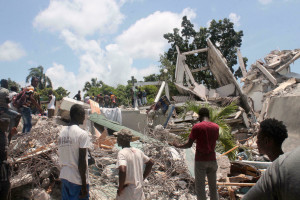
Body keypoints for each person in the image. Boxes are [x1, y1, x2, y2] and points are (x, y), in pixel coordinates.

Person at [170, 108, 219, 200]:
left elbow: (189, 145)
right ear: (208, 116)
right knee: (213, 186)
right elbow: (215, 139)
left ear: (200, 116)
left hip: (201, 160)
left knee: (200, 187)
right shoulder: (216, 127)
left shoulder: (197, 127)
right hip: (212, 160)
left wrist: (178, 146)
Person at [58, 104, 91, 200]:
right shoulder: (82, 134)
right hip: (77, 180)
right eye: (83, 114)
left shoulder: (61, 133)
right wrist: (84, 185)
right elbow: (81, 161)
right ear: (78, 114)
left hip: (64, 176)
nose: (84, 117)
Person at [115, 129, 154, 200]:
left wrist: (120, 188)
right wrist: (142, 178)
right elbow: (150, 163)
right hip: (139, 191)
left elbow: (123, 170)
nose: (117, 139)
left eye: (118, 137)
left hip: (127, 192)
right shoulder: (138, 151)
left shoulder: (122, 153)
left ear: (121, 140)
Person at [0, 117, 17, 200]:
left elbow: (6, 146)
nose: (6, 127)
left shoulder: (4, 135)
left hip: (4, 169)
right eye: (5, 125)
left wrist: (10, 135)